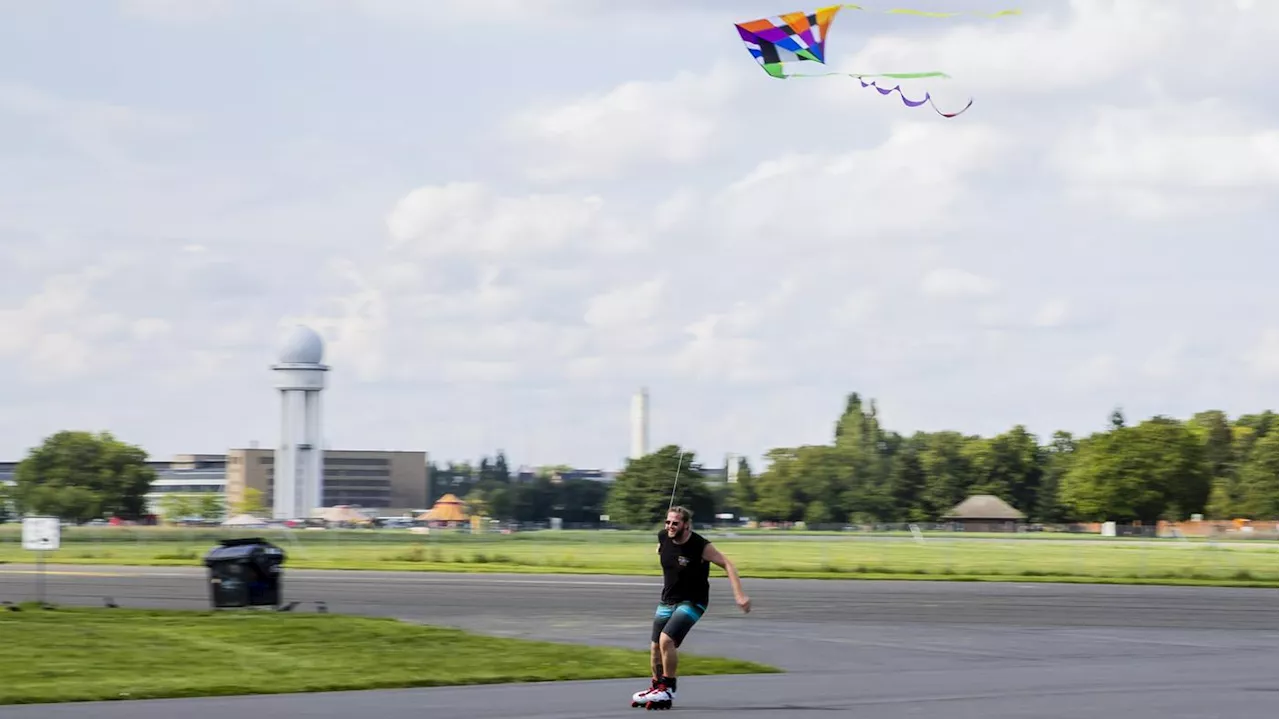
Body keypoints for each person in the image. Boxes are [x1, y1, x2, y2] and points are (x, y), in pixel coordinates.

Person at [630, 505, 750, 710]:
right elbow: (663, 549)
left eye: (675, 523)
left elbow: (728, 565)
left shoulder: (700, 545)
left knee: (666, 640)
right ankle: (657, 687)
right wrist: (661, 548)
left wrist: (739, 595)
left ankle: (668, 687)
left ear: (686, 525)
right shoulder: (663, 537)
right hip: (668, 599)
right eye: (668, 522)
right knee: (655, 647)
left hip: (694, 601)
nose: (670, 526)